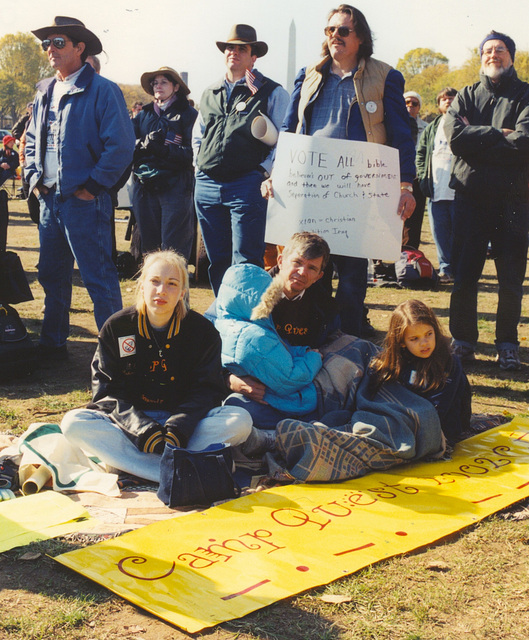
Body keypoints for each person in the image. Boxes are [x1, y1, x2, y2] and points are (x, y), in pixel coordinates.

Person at [267, 4, 416, 338]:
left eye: (344, 30)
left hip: (359, 193)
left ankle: (348, 343)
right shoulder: (308, 74)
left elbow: (401, 136)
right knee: (310, 269)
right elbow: (289, 131)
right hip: (311, 190)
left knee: (350, 277)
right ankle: (309, 337)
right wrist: (275, 174)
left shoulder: (385, 76)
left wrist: (405, 185)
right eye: (330, 30)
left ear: (361, 36)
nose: (335, 36)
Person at [61, 250, 253, 483]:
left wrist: (179, 426)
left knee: (240, 420)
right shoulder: (117, 327)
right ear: (142, 285)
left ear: (182, 292)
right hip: (132, 425)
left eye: (172, 284)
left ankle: (132, 465)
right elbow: (106, 392)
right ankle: (175, 471)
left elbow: (208, 390)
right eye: (154, 281)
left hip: (184, 427)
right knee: (73, 423)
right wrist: (142, 429)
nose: (161, 290)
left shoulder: (202, 331)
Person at [24, 16, 135, 360]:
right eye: (47, 44)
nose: (50, 51)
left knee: (99, 279)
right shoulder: (44, 90)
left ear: (79, 47)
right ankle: (53, 345)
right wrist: (35, 180)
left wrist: (93, 186)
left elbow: (121, 146)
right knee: (51, 275)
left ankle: (120, 358)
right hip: (50, 200)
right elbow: (31, 140)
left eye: (58, 43)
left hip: (85, 202)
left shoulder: (104, 90)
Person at [444, 30, 529, 371]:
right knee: (465, 274)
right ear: (481, 58)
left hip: (514, 200)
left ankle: (507, 343)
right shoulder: (465, 95)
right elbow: (455, 137)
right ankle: (463, 340)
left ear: (512, 56)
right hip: (471, 198)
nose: (494, 55)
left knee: (510, 279)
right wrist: (499, 134)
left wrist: (477, 139)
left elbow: (524, 142)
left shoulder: (525, 95)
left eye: (500, 50)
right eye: (488, 51)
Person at [193, 24, 290, 295]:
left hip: (247, 184)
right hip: (207, 186)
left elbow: (284, 138)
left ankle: (247, 319)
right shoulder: (210, 92)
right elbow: (198, 136)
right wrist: (199, 168)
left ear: (253, 56)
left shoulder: (271, 92)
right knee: (217, 260)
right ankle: (223, 315)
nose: (233, 52)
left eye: (242, 48)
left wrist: (263, 171)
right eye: (229, 47)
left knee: (246, 259)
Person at [222, 232, 340, 403]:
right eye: (297, 263)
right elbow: (210, 340)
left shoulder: (326, 308)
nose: (302, 272)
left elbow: (327, 352)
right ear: (281, 261)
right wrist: (230, 380)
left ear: (319, 276)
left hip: (296, 387)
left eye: (312, 268)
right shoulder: (246, 292)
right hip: (245, 385)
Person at [216, 262, 323, 430]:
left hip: (254, 390)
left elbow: (277, 350)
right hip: (284, 400)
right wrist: (313, 357)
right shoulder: (255, 337)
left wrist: (302, 351)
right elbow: (290, 379)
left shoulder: (224, 323)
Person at [368, 299, 471, 444]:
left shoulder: (449, 362)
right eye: (414, 339)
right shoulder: (393, 361)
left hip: (442, 428)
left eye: (429, 334)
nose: (424, 343)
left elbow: (439, 409)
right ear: (401, 342)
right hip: (404, 422)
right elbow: (376, 394)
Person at [132, 67, 197, 257]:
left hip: (175, 187)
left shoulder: (189, 114)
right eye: (155, 83)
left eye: (163, 82)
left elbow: (194, 153)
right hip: (145, 186)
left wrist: (165, 150)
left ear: (176, 87)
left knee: (174, 247)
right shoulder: (143, 115)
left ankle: (177, 286)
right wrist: (142, 146)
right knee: (149, 247)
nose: (158, 86)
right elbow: (125, 144)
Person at [416, 87, 458, 282]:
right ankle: (446, 268)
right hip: (436, 189)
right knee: (440, 233)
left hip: (460, 190)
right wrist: (424, 180)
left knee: (460, 233)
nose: (448, 102)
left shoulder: (466, 123)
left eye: (452, 98)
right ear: (439, 104)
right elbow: (421, 154)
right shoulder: (431, 128)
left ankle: (461, 269)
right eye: (444, 99)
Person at [401, 91, 428, 250]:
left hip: (417, 179)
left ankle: (410, 258)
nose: (410, 106)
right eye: (407, 102)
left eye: (414, 103)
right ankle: (383, 263)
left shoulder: (427, 128)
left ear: (419, 107)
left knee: (414, 221)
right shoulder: (393, 124)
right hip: (396, 178)